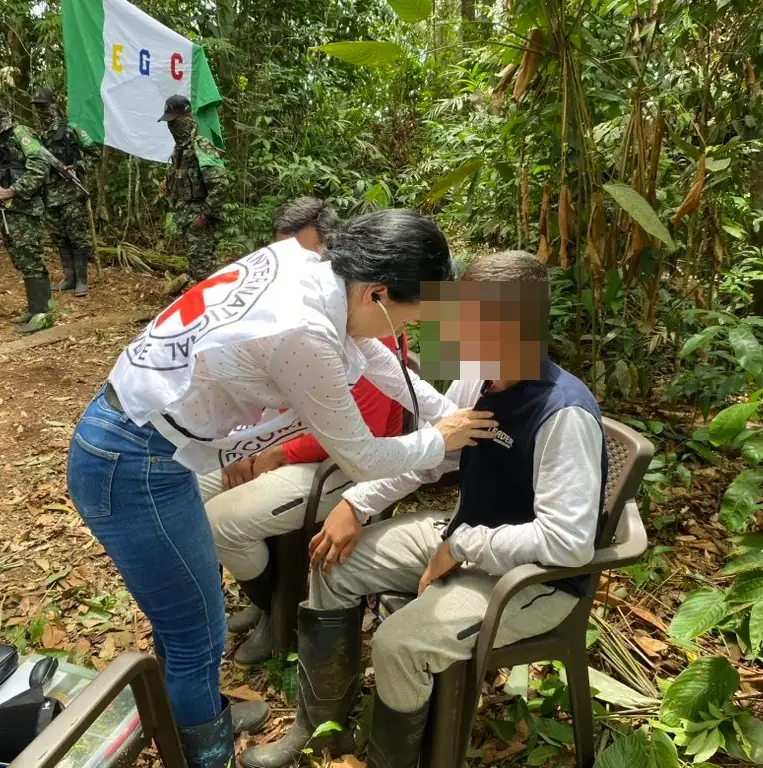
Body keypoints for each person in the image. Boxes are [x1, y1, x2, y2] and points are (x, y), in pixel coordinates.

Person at [66, 209, 498, 767]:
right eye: (405, 318)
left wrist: (447, 414)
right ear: (379, 294)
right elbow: (363, 455)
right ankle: (207, 751)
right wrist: (441, 440)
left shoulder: (311, 267)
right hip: (134, 461)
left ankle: (200, 714)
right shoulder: (304, 333)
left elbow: (378, 363)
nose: (400, 336)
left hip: (143, 434)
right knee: (196, 632)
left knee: (187, 622)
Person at [241, 251, 608, 768]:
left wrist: (461, 546)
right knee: (332, 560)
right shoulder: (479, 377)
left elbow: (568, 542)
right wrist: (354, 502)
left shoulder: (562, 414)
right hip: (466, 535)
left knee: (397, 645)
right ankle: (319, 724)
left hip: (536, 579)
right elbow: (432, 453)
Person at [198, 196, 404, 665]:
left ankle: (280, 612)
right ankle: (261, 597)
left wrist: (273, 455)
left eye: (305, 258)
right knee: (193, 489)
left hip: (338, 461)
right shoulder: (288, 307)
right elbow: (264, 395)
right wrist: (249, 448)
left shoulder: (367, 316)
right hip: (286, 442)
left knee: (222, 523)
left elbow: (360, 433)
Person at [0, 92, 51, 334]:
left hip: (24, 208)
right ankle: (34, 309)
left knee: (32, 258)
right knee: (22, 259)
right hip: (7, 210)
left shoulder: (19, 134)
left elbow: (40, 165)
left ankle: (43, 313)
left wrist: (13, 191)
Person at [30, 87, 98, 298]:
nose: (42, 111)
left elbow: (95, 154)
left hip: (71, 193)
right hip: (49, 195)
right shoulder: (37, 136)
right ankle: (69, 279)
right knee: (59, 238)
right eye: (38, 108)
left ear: (54, 105)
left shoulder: (71, 129)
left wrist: (77, 167)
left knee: (77, 237)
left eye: (44, 106)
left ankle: (82, 281)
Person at [158, 94, 227, 282]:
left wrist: (203, 216)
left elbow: (220, 185)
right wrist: (168, 186)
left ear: (185, 119)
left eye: (173, 122)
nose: (170, 127)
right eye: (169, 123)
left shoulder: (200, 146)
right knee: (196, 269)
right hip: (186, 219)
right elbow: (182, 180)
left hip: (200, 221)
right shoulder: (179, 151)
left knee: (205, 273)